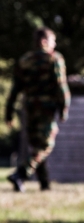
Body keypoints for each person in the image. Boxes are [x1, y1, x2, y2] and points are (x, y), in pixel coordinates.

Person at [5, 26, 70, 192]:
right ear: (44, 41)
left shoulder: (24, 60)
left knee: (36, 146)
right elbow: (61, 87)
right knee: (45, 146)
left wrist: (9, 113)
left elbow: (15, 89)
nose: (54, 45)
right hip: (46, 110)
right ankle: (20, 174)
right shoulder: (54, 59)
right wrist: (64, 108)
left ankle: (44, 184)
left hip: (29, 108)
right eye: (52, 41)